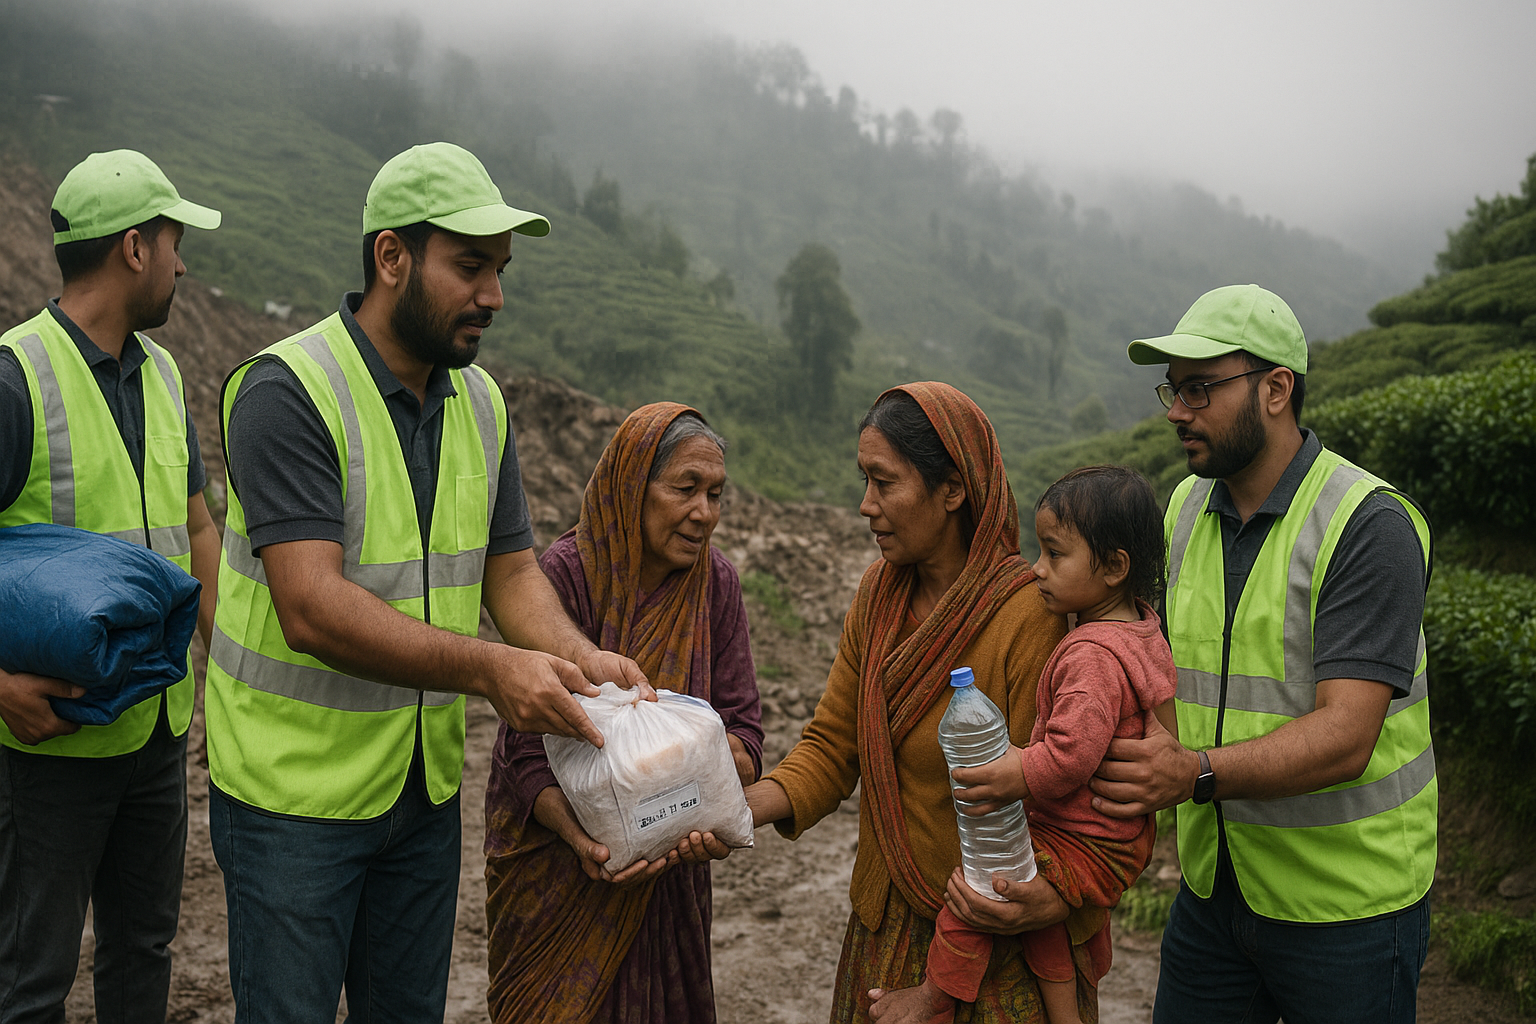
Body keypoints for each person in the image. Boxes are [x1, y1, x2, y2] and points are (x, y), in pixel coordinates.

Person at [205, 142, 650, 1022]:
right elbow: (310, 608)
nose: (492, 295)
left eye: (500, 271)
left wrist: (577, 654)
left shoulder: (480, 403)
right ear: (391, 256)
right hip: (290, 799)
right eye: (471, 267)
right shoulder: (286, 391)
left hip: (420, 794)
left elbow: (512, 571)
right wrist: (491, 670)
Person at [742, 383, 1153, 1024]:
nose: (866, 505)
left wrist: (1055, 895)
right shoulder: (879, 597)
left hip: (999, 930)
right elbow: (835, 742)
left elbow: (1065, 798)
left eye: (884, 483)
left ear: (953, 490)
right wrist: (740, 811)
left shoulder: (1032, 616)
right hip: (888, 925)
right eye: (864, 482)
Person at [1092, 283, 1436, 1023]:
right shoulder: (1185, 507)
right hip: (1218, 890)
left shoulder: (1366, 525)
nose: (1177, 411)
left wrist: (1191, 773)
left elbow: (1347, 736)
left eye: (1200, 389)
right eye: (1173, 391)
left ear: (1276, 389)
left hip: (1347, 908)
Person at [0, 149, 222, 1021]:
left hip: (156, 728)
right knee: (31, 978)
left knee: (142, 954)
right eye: (174, 241)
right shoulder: (15, 379)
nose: (182, 262)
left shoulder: (163, 374)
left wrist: (228, 667)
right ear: (134, 247)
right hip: (49, 743)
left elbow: (196, 525)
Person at [483, 402, 764, 1023]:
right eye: (684, 489)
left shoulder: (715, 585)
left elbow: (743, 730)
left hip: (672, 876)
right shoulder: (563, 575)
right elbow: (525, 749)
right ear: (633, 486)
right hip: (560, 874)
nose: (704, 513)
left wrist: (694, 788)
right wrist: (585, 837)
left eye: (716, 494)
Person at [905, 465, 1178, 1024]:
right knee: (1044, 918)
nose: (1038, 570)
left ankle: (934, 996)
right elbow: (1165, 718)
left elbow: (1070, 754)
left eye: (1055, 554)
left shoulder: (1091, 655)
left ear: (1113, 567)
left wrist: (1012, 771)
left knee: (980, 895)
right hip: (1119, 835)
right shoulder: (1144, 630)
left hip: (1085, 833)